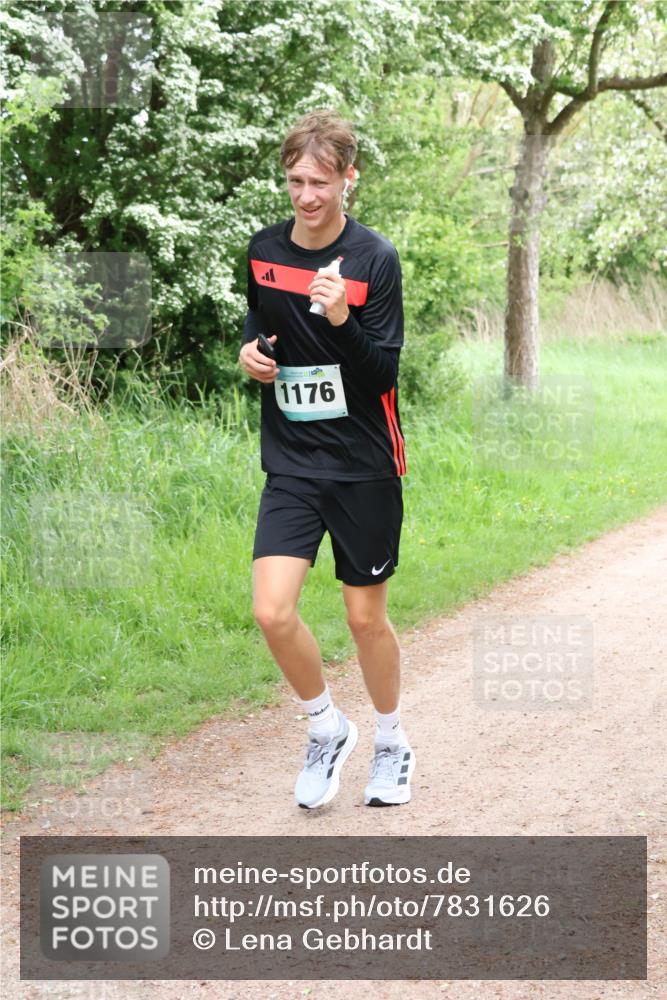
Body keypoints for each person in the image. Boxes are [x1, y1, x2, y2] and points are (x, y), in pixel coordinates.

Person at [238, 108, 415, 809]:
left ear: (349, 177)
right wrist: (252, 353)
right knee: (272, 611)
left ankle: (393, 742)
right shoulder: (263, 248)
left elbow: (379, 377)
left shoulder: (374, 260)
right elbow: (263, 320)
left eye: (319, 181)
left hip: (364, 463)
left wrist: (342, 317)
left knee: (364, 618)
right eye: (294, 181)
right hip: (292, 459)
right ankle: (324, 726)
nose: (305, 196)